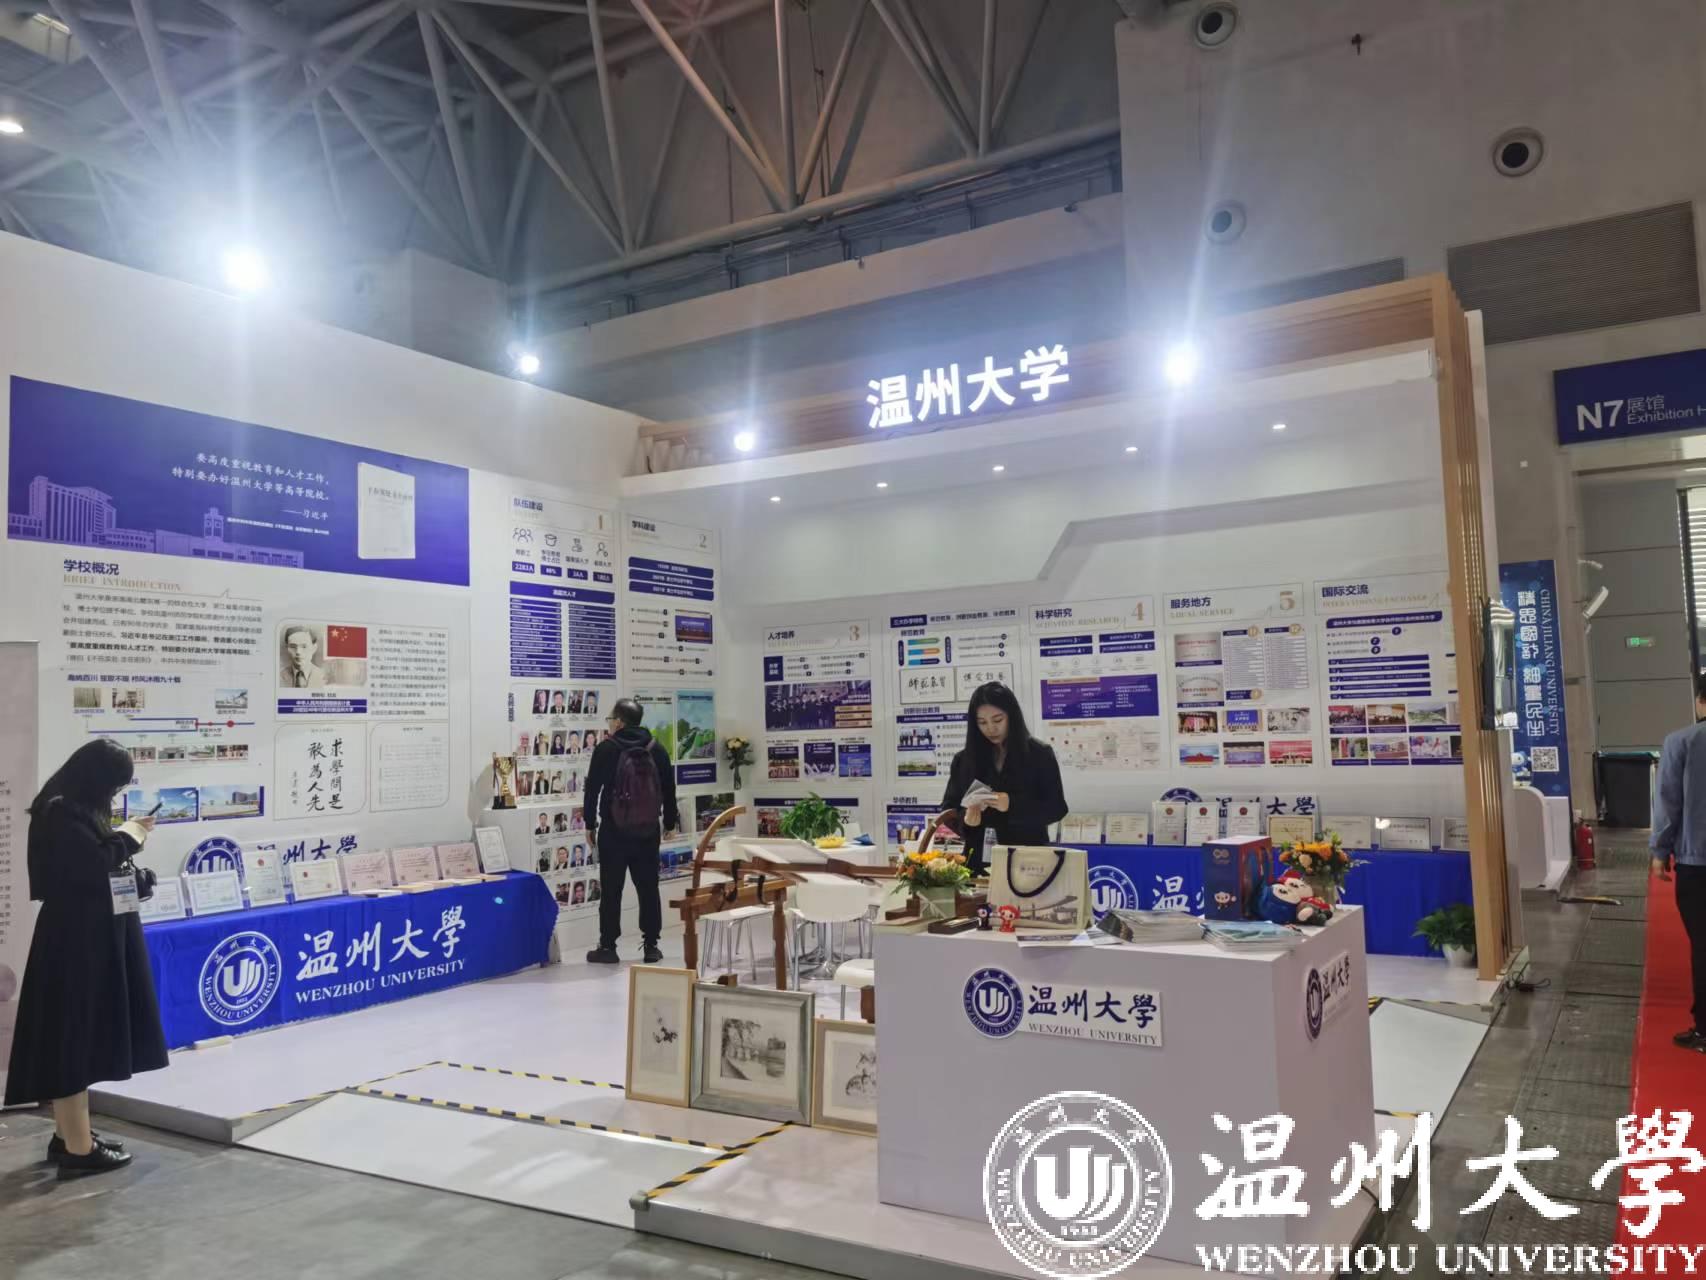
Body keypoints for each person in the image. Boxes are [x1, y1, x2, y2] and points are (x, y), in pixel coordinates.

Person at [4, 740, 167, 1177]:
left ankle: (70, 1135)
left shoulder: (74, 809)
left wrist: (133, 871)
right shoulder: (60, 813)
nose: (113, 795)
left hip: (90, 937)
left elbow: (97, 871)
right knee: (74, 1038)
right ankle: (78, 1149)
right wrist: (130, 837)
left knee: (82, 1035)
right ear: (95, 778)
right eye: (113, 786)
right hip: (76, 943)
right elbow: (90, 865)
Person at [584, 696, 679, 965]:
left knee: (611, 890)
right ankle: (651, 946)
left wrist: (590, 824)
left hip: (613, 832)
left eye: (611, 719)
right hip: (647, 832)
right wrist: (669, 823)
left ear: (619, 722)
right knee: (648, 888)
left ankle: (608, 946)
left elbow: (592, 790)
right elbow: (668, 789)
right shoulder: (656, 748)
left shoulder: (606, 749)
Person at [940, 682, 1068, 873]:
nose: (991, 729)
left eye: (997, 720)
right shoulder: (964, 760)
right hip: (978, 862)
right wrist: (965, 821)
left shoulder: (1039, 754)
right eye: (982, 722)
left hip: (1028, 861)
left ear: (1012, 716)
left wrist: (1012, 804)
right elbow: (948, 809)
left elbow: (1057, 808)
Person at [1651, 674, 1706, 1055]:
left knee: (1703, 944)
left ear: (1700, 700)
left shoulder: (1682, 742)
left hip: (1696, 860)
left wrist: (1660, 852)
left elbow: (1669, 802)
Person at [279, 625, 327, 689]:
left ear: (314, 648)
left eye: (304, 646)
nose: (298, 652)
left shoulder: (325, 677)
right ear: (287, 648)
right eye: (293, 646)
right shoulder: (279, 676)